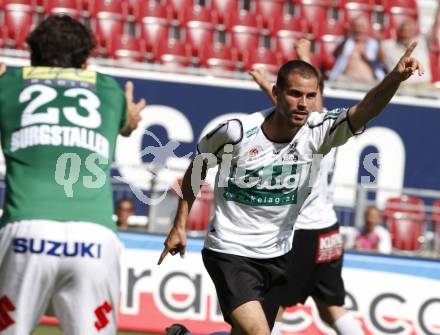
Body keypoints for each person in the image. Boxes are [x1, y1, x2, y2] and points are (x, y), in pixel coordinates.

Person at [159, 42, 423, 335]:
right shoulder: (235, 132)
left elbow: (365, 110)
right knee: (258, 333)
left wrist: (395, 78)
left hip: (278, 254)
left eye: (311, 96)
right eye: (295, 94)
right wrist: (179, 225)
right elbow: (197, 168)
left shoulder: (318, 132)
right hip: (230, 250)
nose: (303, 103)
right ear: (276, 93)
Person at [0, 15, 145, 334]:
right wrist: (130, 120)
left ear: (32, 54)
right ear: (85, 59)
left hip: (27, 230)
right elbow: (127, 124)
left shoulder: (8, 84)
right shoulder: (108, 89)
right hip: (94, 237)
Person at [250, 39, 364, 335]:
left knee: (273, 307)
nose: (305, 103)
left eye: (311, 96)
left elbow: (291, 111)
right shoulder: (332, 131)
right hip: (329, 232)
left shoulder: (312, 134)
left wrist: (302, 58)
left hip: (301, 232)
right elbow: (292, 110)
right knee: (332, 309)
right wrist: (266, 81)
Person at [379, 6, 440, 86]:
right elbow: (378, 60)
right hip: (400, 87)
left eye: (409, 30)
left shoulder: (422, 41)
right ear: (398, 31)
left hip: (424, 85)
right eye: (403, 30)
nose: (405, 33)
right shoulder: (387, 45)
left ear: (414, 31)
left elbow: (436, 24)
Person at [329, 14, 385, 82]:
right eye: (356, 26)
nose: (359, 29)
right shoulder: (345, 42)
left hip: (369, 82)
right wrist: (346, 37)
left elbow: (381, 61)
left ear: (367, 28)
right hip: (347, 81)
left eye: (362, 26)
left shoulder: (374, 44)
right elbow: (335, 55)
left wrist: (379, 42)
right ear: (351, 28)